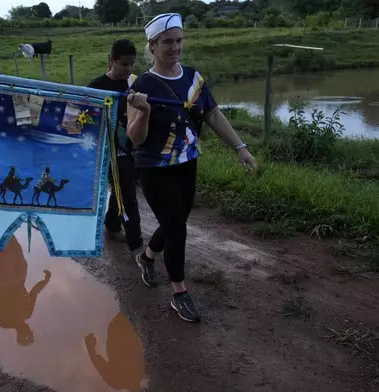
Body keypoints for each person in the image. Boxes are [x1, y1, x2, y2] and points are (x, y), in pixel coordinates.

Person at [126, 13, 257, 323]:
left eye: (179, 41)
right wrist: (143, 112)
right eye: (168, 42)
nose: (175, 47)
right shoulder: (141, 85)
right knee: (177, 227)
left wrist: (241, 148)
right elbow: (135, 138)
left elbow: (212, 115)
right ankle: (179, 292)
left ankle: (146, 257)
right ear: (153, 45)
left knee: (178, 219)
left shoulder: (194, 79)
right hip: (155, 166)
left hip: (187, 162)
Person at [88, 39, 143, 254]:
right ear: (111, 60)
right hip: (107, 150)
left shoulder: (135, 85)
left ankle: (111, 224)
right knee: (128, 193)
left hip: (131, 147)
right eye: (123, 64)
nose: (128, 69)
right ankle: (136, 244)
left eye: (131, 64)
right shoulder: (96, 87)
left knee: (123, 187)